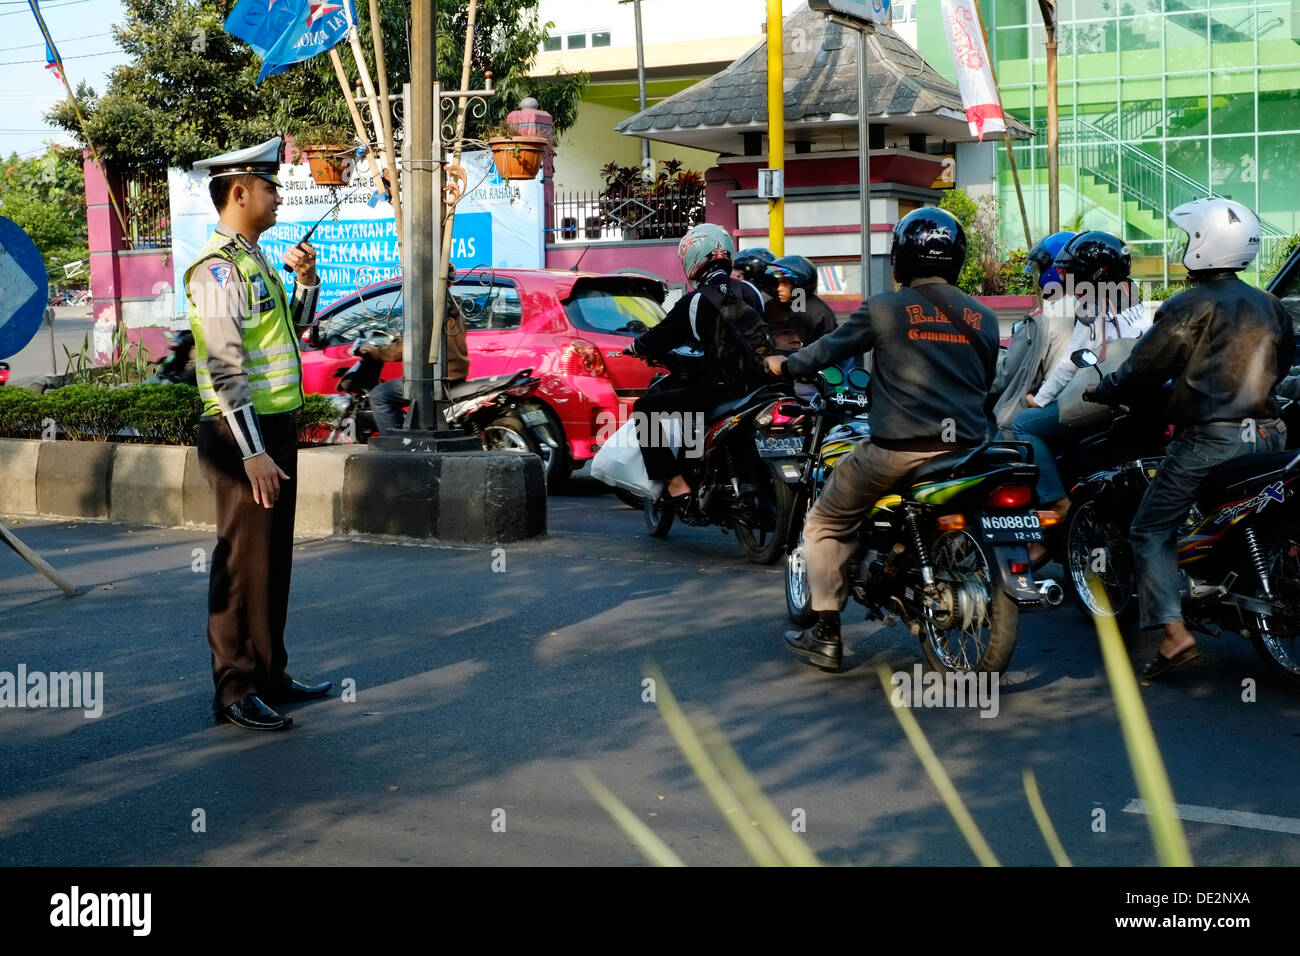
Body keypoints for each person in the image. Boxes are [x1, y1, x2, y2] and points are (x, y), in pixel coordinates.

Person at [764, 207, 999, 671]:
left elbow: (827, 352)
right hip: (971, 450)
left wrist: (783, 365)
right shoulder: (985, 317)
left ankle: (827, 633)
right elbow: (984, 381)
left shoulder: (885, 308)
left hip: (898, 449)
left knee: (825, 522)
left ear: (900, 260)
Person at [1088, 198, 1293, 679]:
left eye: (1188, 237)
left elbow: (1143, 368)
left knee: (1150, 529)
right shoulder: (1270, 305)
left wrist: (1104, 388)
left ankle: (1175, 637)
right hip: (1270, 433)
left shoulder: (1189, 305)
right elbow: (1280, 369)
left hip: (1213, 440)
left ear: (1203, 243)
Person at [186, 136, 331, 731]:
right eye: (270, 187)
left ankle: (269, 672)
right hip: (239, 434)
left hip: (271, 427)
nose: (277, 198)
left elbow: (291, 332)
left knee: (273, 558)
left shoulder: (254, 261)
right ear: (240, 191)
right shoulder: (216, 271)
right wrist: (253, 452)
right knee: (242, 560)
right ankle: (235, 688)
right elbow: (225, 369)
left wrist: (307, 281)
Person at [1010, 230, 1150, 563]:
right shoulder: (1132, 297)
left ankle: (1056, 502)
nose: (1066, 278)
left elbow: (1072, 362)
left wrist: (1039, 401)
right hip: (1135, 401)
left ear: (1094, 273)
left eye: (1072, 272)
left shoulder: (1092, 306)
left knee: (1023, 426)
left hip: (1103, 399)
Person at [624, 223, 768, 503]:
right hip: (759, 386)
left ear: (694, 259)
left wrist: (635, 346)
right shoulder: (751, 291)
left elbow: (660, 338)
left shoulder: (694, 302)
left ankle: (675, 481)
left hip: (718, 390)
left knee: (644, 408)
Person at [360, 270, 469, 435]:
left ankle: (396, 447)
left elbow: (404, 350)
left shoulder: (428, 308)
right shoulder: (454, 307)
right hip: (456, 374)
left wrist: (374, 351)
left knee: (379, 396)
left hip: (433, 377)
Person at [990, 230, 1077, 432]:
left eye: (1042, 269)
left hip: (1054, 406)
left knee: (1008, 425)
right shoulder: (1096, 307)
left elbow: (1005, 374)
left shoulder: (1044, 319)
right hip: (1078, 400)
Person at [764, 254, 838, 351]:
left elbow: (793, 352)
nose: (779, 289)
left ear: (799, 285)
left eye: (785, 284)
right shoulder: (806, 305)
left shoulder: (804, 314)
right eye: (779, 283)